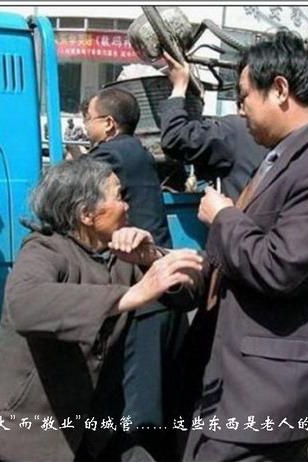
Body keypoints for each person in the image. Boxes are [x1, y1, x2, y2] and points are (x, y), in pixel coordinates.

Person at [183, 30, 308, 461]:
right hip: (244, 377)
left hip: (272, 387)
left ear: (280, 90)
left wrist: (223, 217)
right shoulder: (287, 156)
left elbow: (280, 266)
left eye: (244, 96)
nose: (240, 109)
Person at [0, 157, 203, 462]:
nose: (127, 205)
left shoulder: (121, 252)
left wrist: (150, 258)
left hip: (96, 429)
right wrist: (129, 296)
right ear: (86, 214)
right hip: (28, 437)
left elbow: (190, 292)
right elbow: (25, 304)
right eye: (119, 196)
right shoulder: (44, 249)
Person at [82, 88, 177, 460]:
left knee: (136, 411)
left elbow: (69, 185)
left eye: (87, 118)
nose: (83, 125)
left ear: (108, 123)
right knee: (153, 396)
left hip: (144, 290)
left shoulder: (109, 155)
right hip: (157, 282)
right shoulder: (136, 150)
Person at [159, 52, 267, 201]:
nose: (242, 110)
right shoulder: (295, 145)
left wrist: (179, 87)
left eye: (244, 95)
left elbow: (175, 138)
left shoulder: (237, 131)